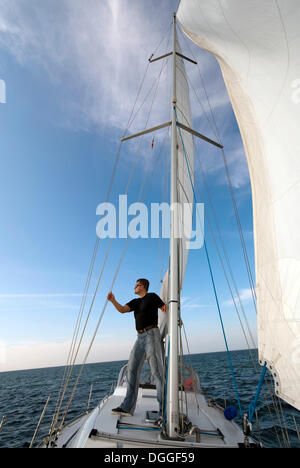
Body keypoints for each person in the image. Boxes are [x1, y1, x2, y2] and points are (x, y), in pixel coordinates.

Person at [107, 278, 166, 417]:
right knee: (131, 369)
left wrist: (167, 308)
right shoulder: (135, 302)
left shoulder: (152, 297)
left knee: (156, 371)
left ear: (143, 286)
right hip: (139, 337)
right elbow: (122, 310)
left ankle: (164, 410)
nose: (134, 287)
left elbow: (164, 307)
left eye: (137, 285)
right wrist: (113, 300)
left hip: (151, 334)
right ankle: (127, 407)